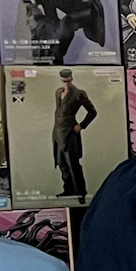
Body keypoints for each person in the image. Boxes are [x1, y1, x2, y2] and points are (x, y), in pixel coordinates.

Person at [50, 67, 96, 197]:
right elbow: (59, 113)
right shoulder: (58, 92)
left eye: (68, 81)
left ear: (71, 79)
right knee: (61, 163)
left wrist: (81, 125)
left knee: (73, 163)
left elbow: (92, 112)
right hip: (57, 133)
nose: (66, 84)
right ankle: (69, 189)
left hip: (70, 134)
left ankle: (80, 191)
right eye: (64, 81)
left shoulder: (79, 94)